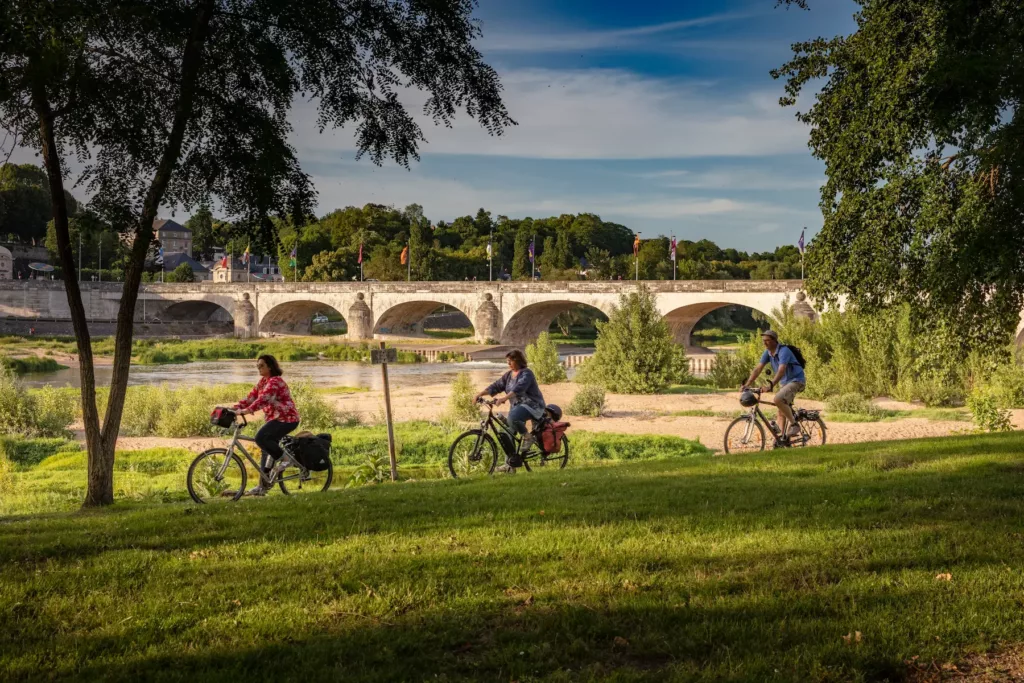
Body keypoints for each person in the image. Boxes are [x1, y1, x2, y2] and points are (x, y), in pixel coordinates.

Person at [233, 354, 300, 495]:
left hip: (287, 418)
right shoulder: (263, 381)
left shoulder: (275, 381)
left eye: (261, 365)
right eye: (257, 366)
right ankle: (262, 487)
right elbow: (251, 397)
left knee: (260, 438)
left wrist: (246, 411)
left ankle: (287, 460)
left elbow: (263, 399)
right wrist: (235, 407)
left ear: (270, 366)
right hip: (274, 419)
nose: (259, 368)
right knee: (265, 448)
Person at [475, 349, 546, 472]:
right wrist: (480, 394)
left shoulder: (526, 373)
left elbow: (519, 388)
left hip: (533, 406)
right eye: (507, 361)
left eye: (510, 361)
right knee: (507, 433)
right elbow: (496, 386)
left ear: (517, 361)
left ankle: (528, 437)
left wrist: (504, 398)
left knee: (513, 418)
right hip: (518, 407)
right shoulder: (508, 375)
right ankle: (510, 465)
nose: (508, 364)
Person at [741, 330, 806, 441]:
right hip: (785, 383)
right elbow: (758, 369)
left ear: (775, 341)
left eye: (767, 341)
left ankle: (795, 425)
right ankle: (780, 440)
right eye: (763, 341)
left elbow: (781, 370)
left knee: (778, 399)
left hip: (796, 380)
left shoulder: (783, 351)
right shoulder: (768, 353)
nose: (765, 343)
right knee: (781, 411)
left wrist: (770, 386)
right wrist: (747, 384)